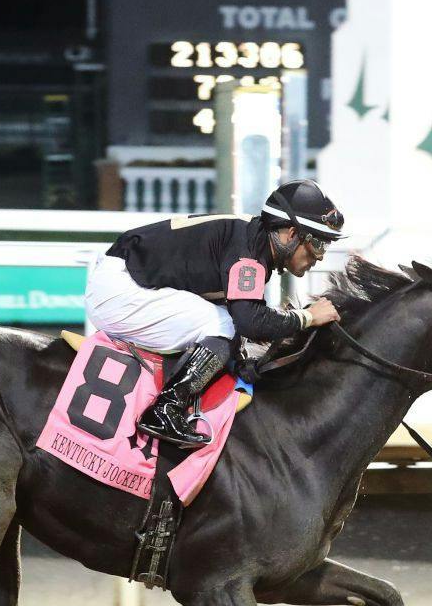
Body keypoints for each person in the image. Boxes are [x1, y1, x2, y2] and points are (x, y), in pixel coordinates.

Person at [85, 179, 345, 448]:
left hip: (125, 283)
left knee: (223, 325)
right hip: (120, 290)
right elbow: (249, 321)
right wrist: (308, 317)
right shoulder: (248, 254)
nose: (321, 257)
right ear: (291, 234)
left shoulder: (252, 243)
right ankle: (165, 409)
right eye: (318, 243)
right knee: (222, 325)